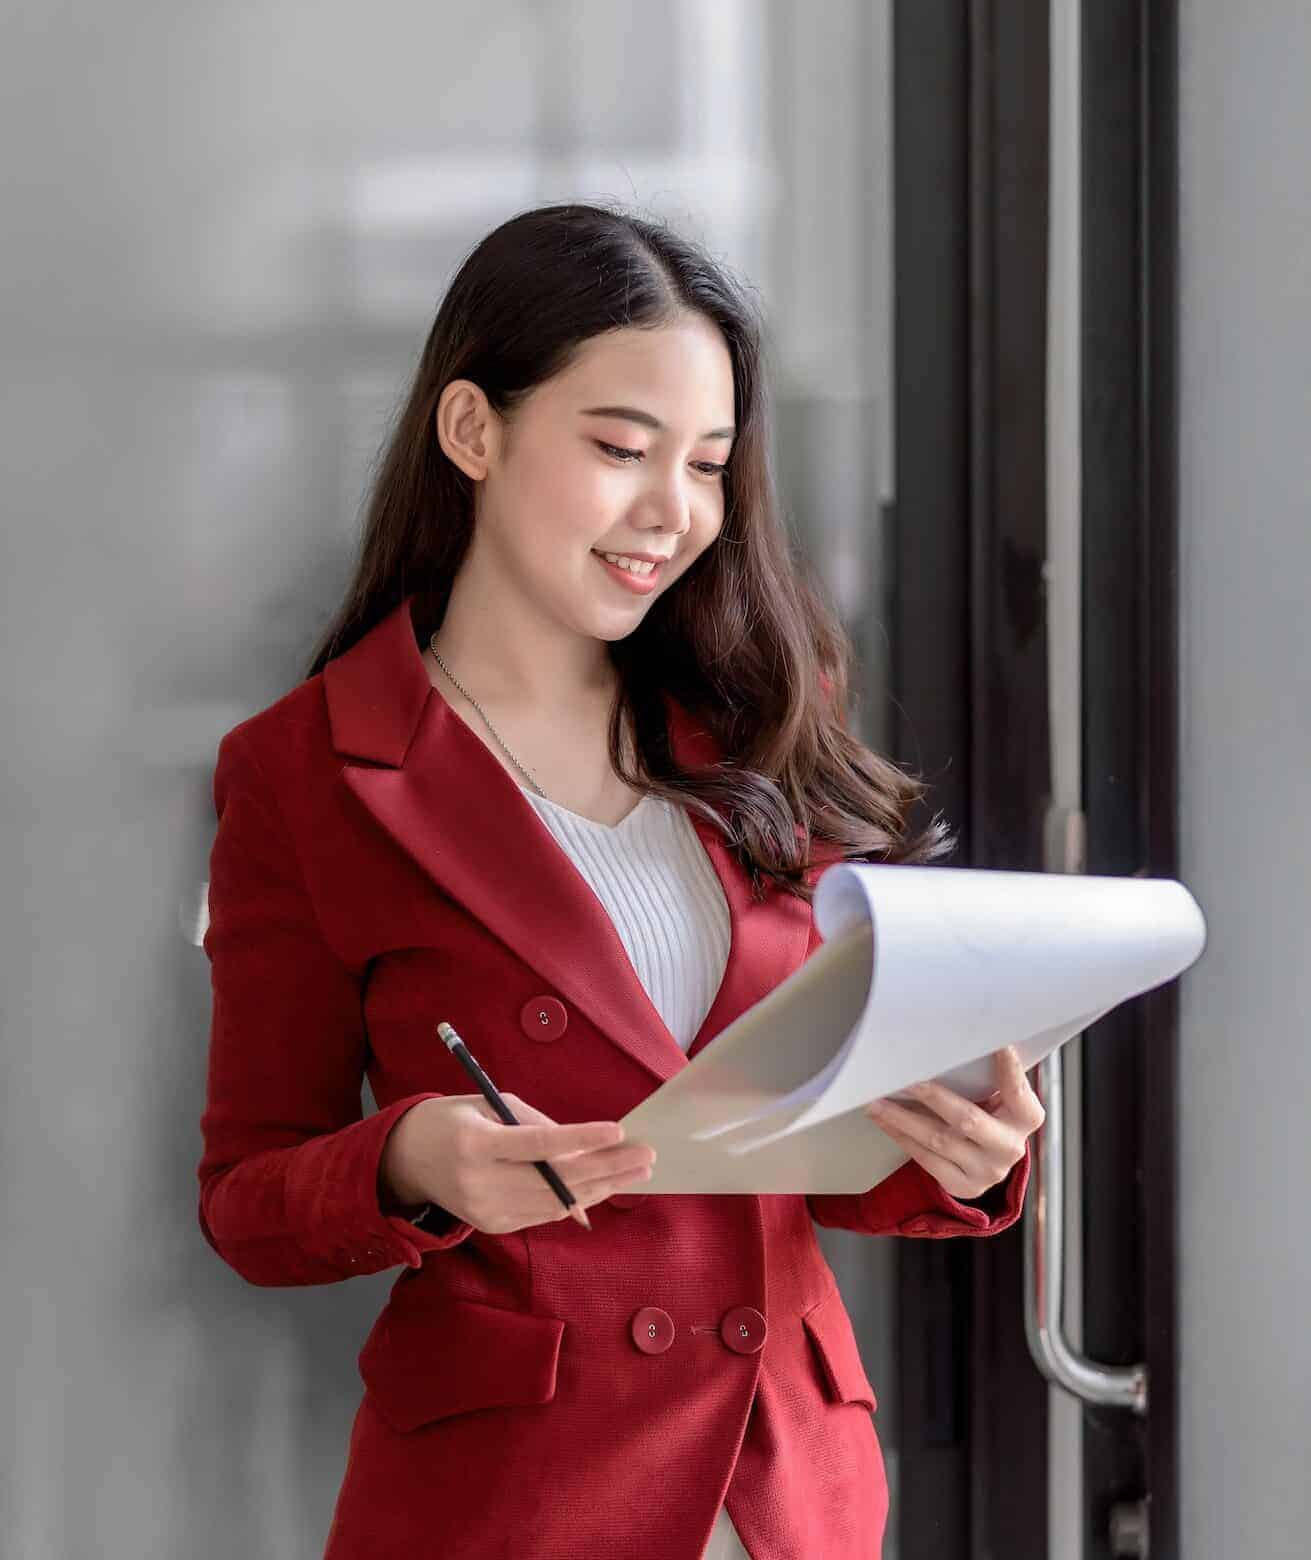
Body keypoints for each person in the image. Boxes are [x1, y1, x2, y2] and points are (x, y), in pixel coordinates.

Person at [196, 201, 1045, 1560]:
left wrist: (954, 1155)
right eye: (619, 448)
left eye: (708, 466)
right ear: (472, 432)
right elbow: (248, 1197)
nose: (676, 514)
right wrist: (415, 1158)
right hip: (520, 1501)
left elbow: (785, 1158)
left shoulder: (755, 717)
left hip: (783, 1490)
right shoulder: (308, 772)